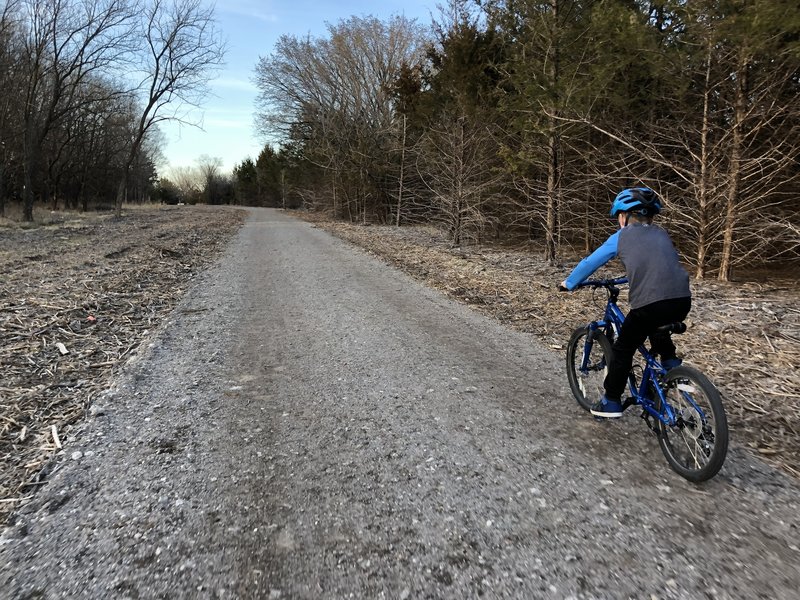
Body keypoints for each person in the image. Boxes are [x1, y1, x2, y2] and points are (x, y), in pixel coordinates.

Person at [560, 187, 691, 418]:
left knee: (623, 349)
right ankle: (670, 365)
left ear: (624, 216)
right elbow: (660, 266)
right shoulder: (662, 234)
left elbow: (591, 262)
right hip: (681, 299)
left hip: (651, 304)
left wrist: (569, 283)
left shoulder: (621, 236)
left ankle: (611, 401)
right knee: (656, 326)